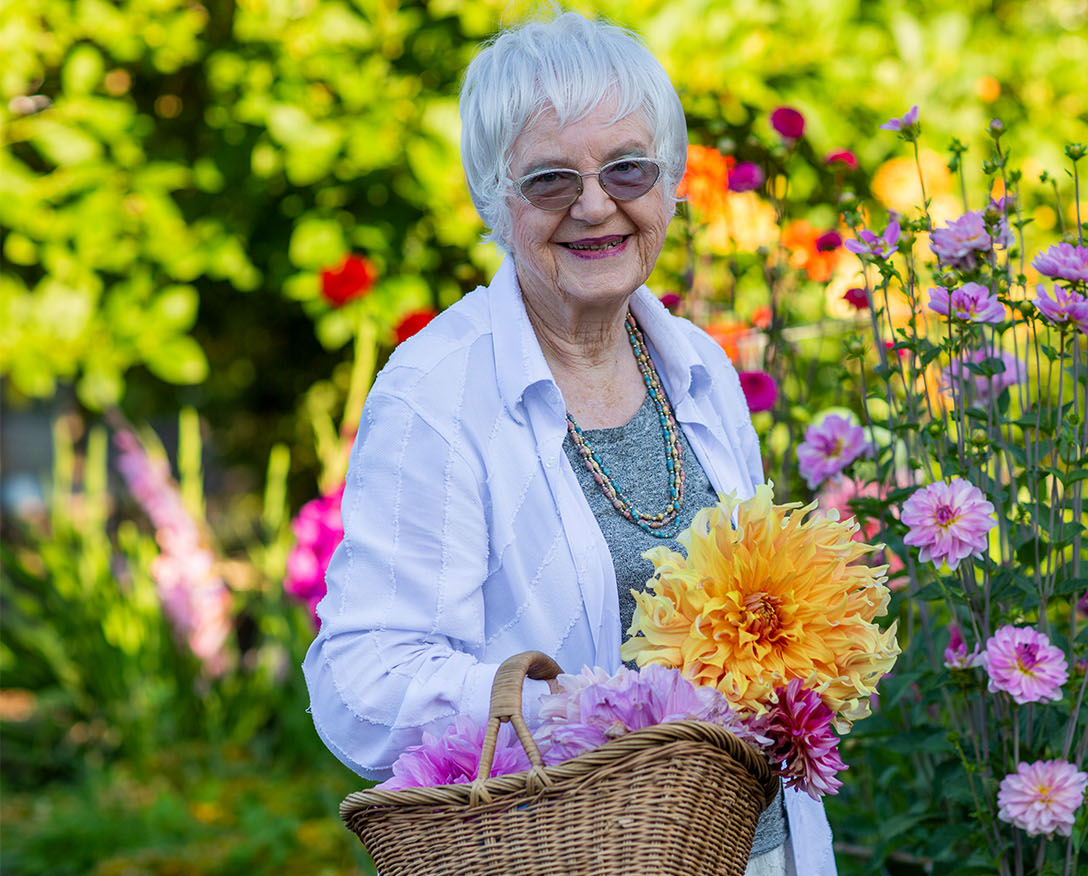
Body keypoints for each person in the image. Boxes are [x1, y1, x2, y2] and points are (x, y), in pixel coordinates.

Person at [301, 11, 837, 876]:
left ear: (669, 186)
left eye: (628, 169)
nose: (596, 205)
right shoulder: (437, 391)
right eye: (551, 181)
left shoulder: (696, 365)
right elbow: (362, 685)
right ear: (494, 199)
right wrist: (574, 710)